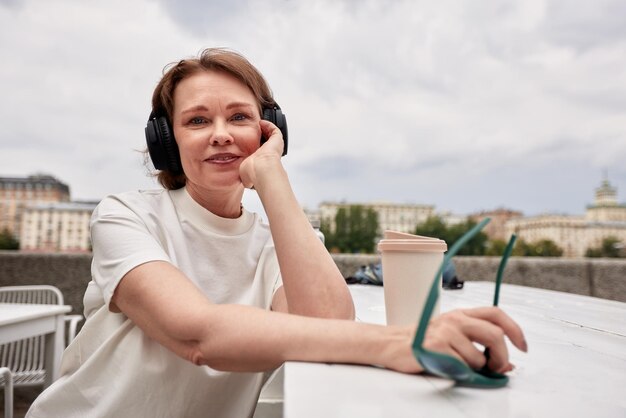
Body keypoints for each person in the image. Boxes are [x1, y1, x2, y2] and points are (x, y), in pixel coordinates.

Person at [26, 48, 527, 418]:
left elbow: (328, 325)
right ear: (166, 143)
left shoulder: (283, 236)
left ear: (269, 130)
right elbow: (198, 335)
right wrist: (403, 343)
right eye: (197, 120)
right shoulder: (126, 216)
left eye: (239, 117)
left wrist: (272, 177)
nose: (221, 133)